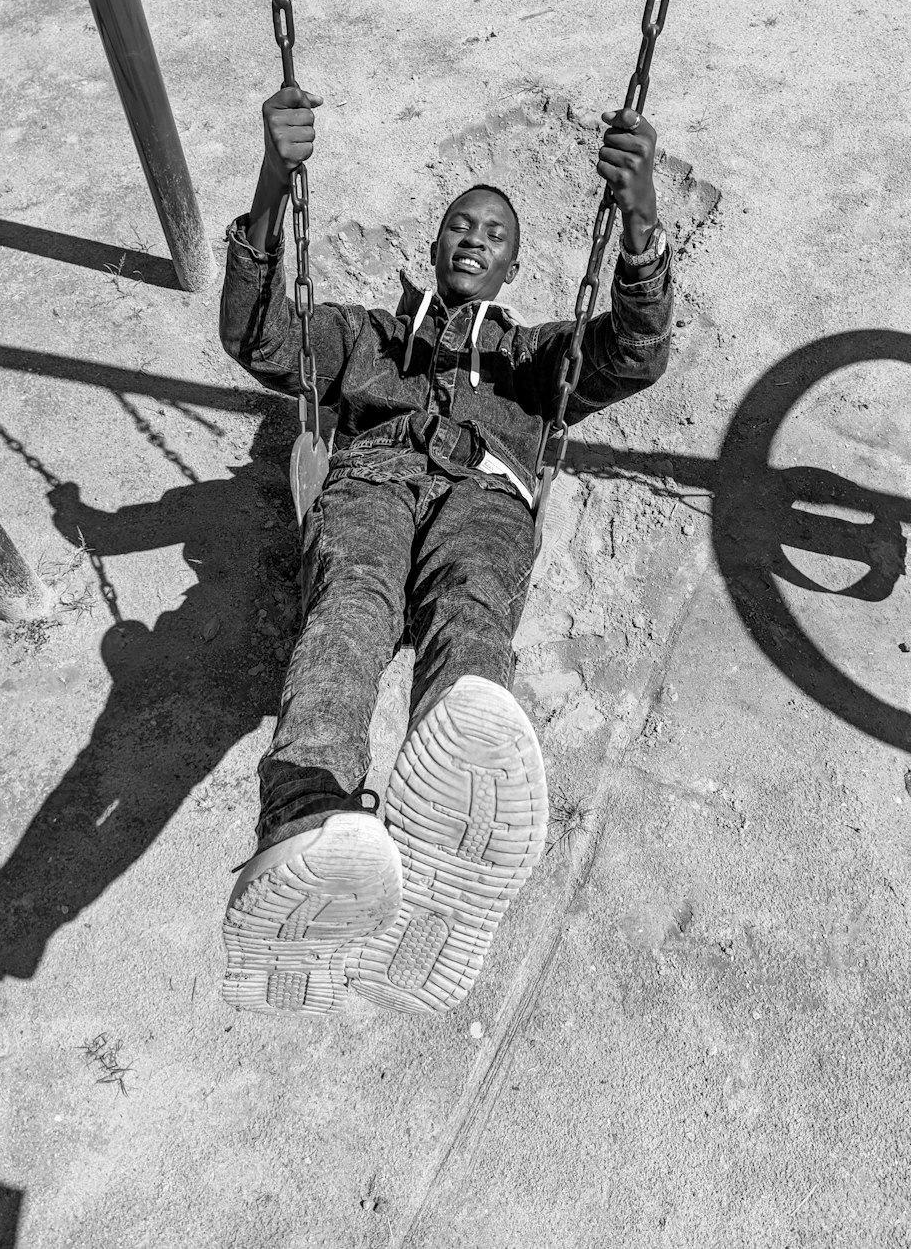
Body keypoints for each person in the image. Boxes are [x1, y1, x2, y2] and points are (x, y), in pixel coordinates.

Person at [218, 84, 674, 1017]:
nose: (474, 237)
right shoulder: (365, 337)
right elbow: (255, 335)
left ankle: (449, 823)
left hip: (487, 495)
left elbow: (634, 353)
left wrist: (640, 218)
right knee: (348, 611)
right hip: (372, 484)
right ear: (432, 248)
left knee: (471, 618)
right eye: (460, 225)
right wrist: (273, 180)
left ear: (510, 270)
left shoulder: (536, 359)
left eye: (494, 234)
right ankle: (307, 817)